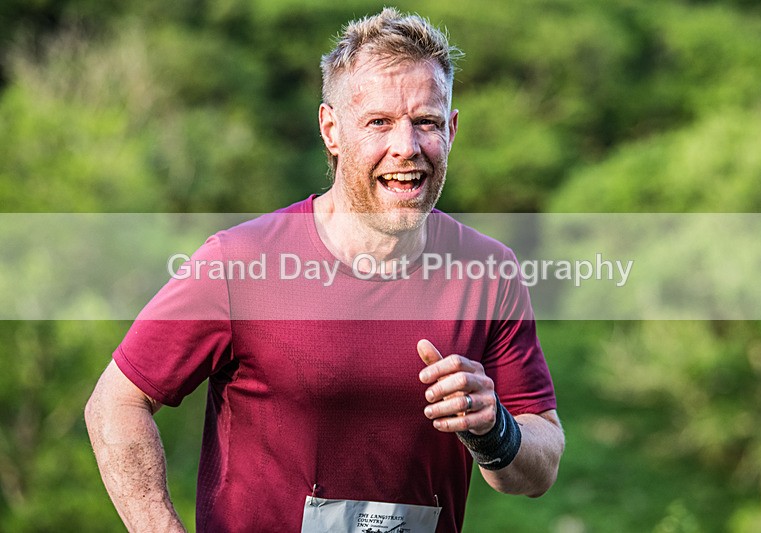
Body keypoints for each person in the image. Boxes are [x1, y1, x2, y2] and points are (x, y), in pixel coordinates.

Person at [85, 7, 564, 532]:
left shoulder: (489, 272)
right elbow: (116, 403)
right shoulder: (240, 262)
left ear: (450, 129)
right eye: (378, 122)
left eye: (425, 122)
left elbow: (539, 466)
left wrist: (495, 430)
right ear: (331, 130)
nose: (406, 147)